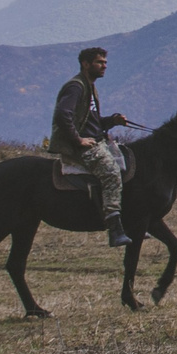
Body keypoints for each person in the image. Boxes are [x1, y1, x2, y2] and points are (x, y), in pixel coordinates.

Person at [50, 46, 135, 246]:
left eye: (105, 62)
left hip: (96, 140)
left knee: (129, 164)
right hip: (83, 147)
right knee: (112, 172)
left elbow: (91, 122)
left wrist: (112, 121)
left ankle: (130, 221)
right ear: (86, 64)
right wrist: (78, 140)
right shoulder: (76, 87)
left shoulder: (89, 86)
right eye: (99, 62)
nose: (104, 66)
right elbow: (63, 114)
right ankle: (114, 229)